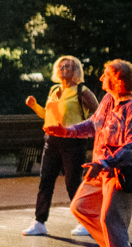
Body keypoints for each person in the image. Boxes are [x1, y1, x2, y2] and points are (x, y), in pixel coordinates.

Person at [44, 60, 132, 247]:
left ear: (119, 80)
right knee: (79, 206)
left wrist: (105, 163)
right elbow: (93, 124)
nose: (101, 78)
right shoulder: (109, 100)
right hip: (100, 169)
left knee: (111, 219)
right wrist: (66, 131)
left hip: (121, 172)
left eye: (106, 74)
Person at [20, 55, 100, 237]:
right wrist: (34, 106)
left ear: (75, 70)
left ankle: (85, 221)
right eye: (61, 67)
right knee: (45, 181)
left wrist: (84, 130)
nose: (63, 70)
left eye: (68, 67)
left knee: (73, 183)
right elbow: (48, 116)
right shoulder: (54, 90)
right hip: (52, 140)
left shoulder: (82, 91)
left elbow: (99, 114)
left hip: (73, 141)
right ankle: (39, 222)